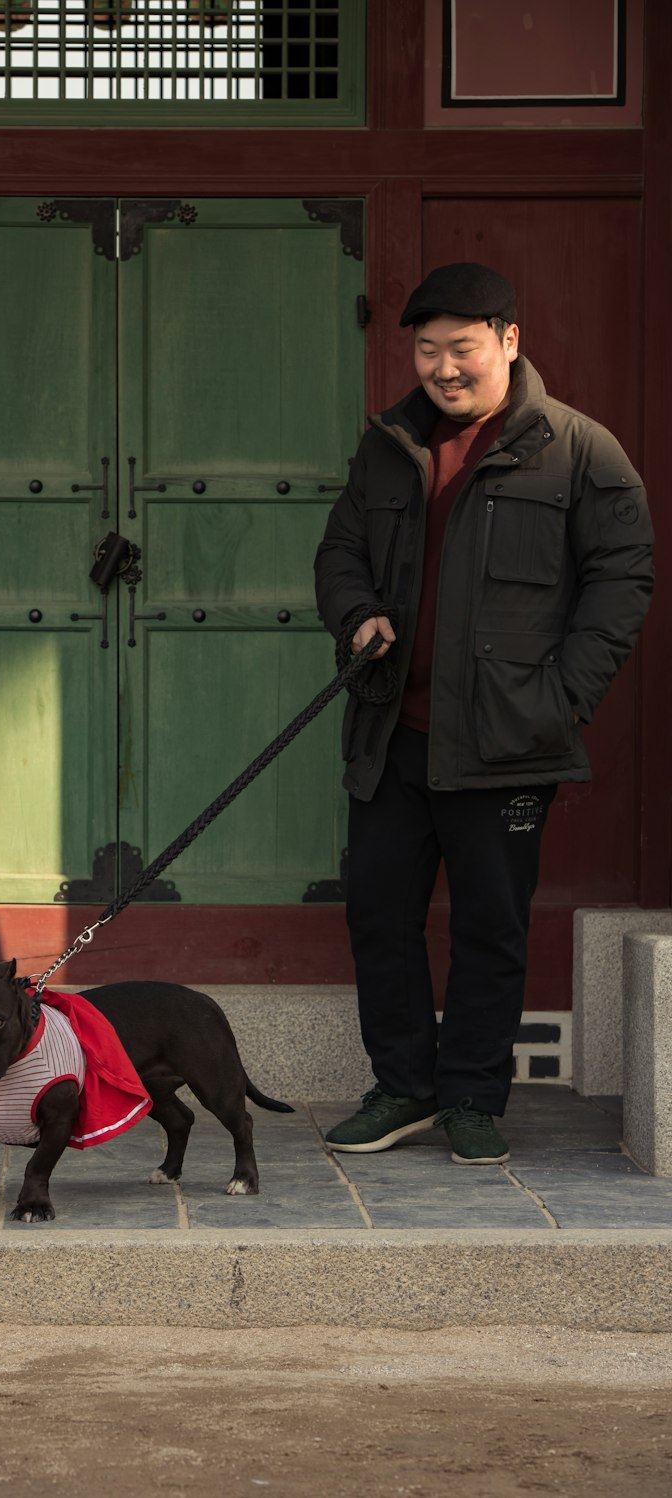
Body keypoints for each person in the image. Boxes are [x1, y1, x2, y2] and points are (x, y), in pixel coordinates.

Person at [314, 262, 653, 1164]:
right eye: (426, 350)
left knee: (489, 927)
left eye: (461, 348)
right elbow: (340, 551)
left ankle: (471, 1094)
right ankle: (403, 1087)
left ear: (508, 339)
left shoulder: (579, 449)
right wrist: (356, 615)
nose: (442, 367)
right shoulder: (388, 445)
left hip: (507, 743)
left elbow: (624, 580)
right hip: (392, 734)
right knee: (379, 918)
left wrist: (562, 699)